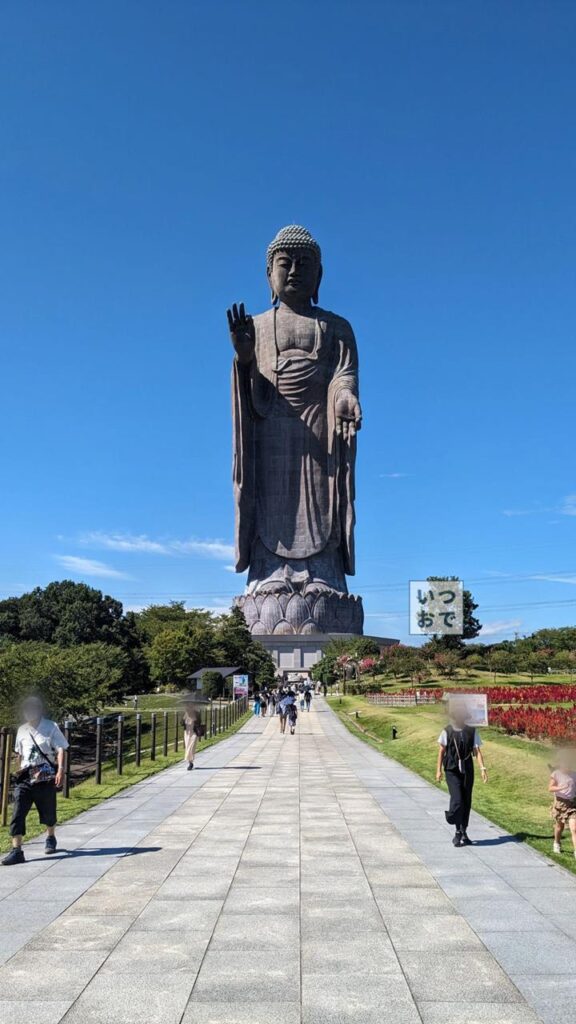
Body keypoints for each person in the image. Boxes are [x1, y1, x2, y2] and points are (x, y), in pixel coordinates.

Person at [2, 695, 68, 866]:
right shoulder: (22, 730)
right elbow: (20, 754)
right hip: (25, 776)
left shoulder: (50, 726)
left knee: (48, 811)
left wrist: (60, 769)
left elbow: (60, 749)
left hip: (44, 775)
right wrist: (17, 770)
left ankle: (51, 837)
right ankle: (17, 851)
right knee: (17, 813)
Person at [436, 702, 487, 847]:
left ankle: (463, 831)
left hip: (467, 769)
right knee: (457, 799)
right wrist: (438, 770)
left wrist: (483, 768)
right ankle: (454, 823)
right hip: (452, 769)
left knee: (466, 801)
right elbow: (441, 751)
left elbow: (477, 751)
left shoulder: (472, 731)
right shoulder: (447, 731)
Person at [549, 752, 576, 857]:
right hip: (560, 803)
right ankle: (557, 842)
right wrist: (561, 788)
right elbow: (550, 788)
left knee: (574, 828)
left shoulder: (574, 775)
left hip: (573, 804)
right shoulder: (556, 774)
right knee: (560, 826)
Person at [182, 702, 204, 770]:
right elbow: (181, 723)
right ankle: (189, 761)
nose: (190, 707)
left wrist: (195, 720)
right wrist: (184, 717)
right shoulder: (185, 713)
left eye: (191, 705)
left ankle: (190, 762)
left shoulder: (197, 713)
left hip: (194, 732)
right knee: (187, 746)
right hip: (187, 733)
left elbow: (199, 722)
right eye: (188, 705)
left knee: (191, 747)